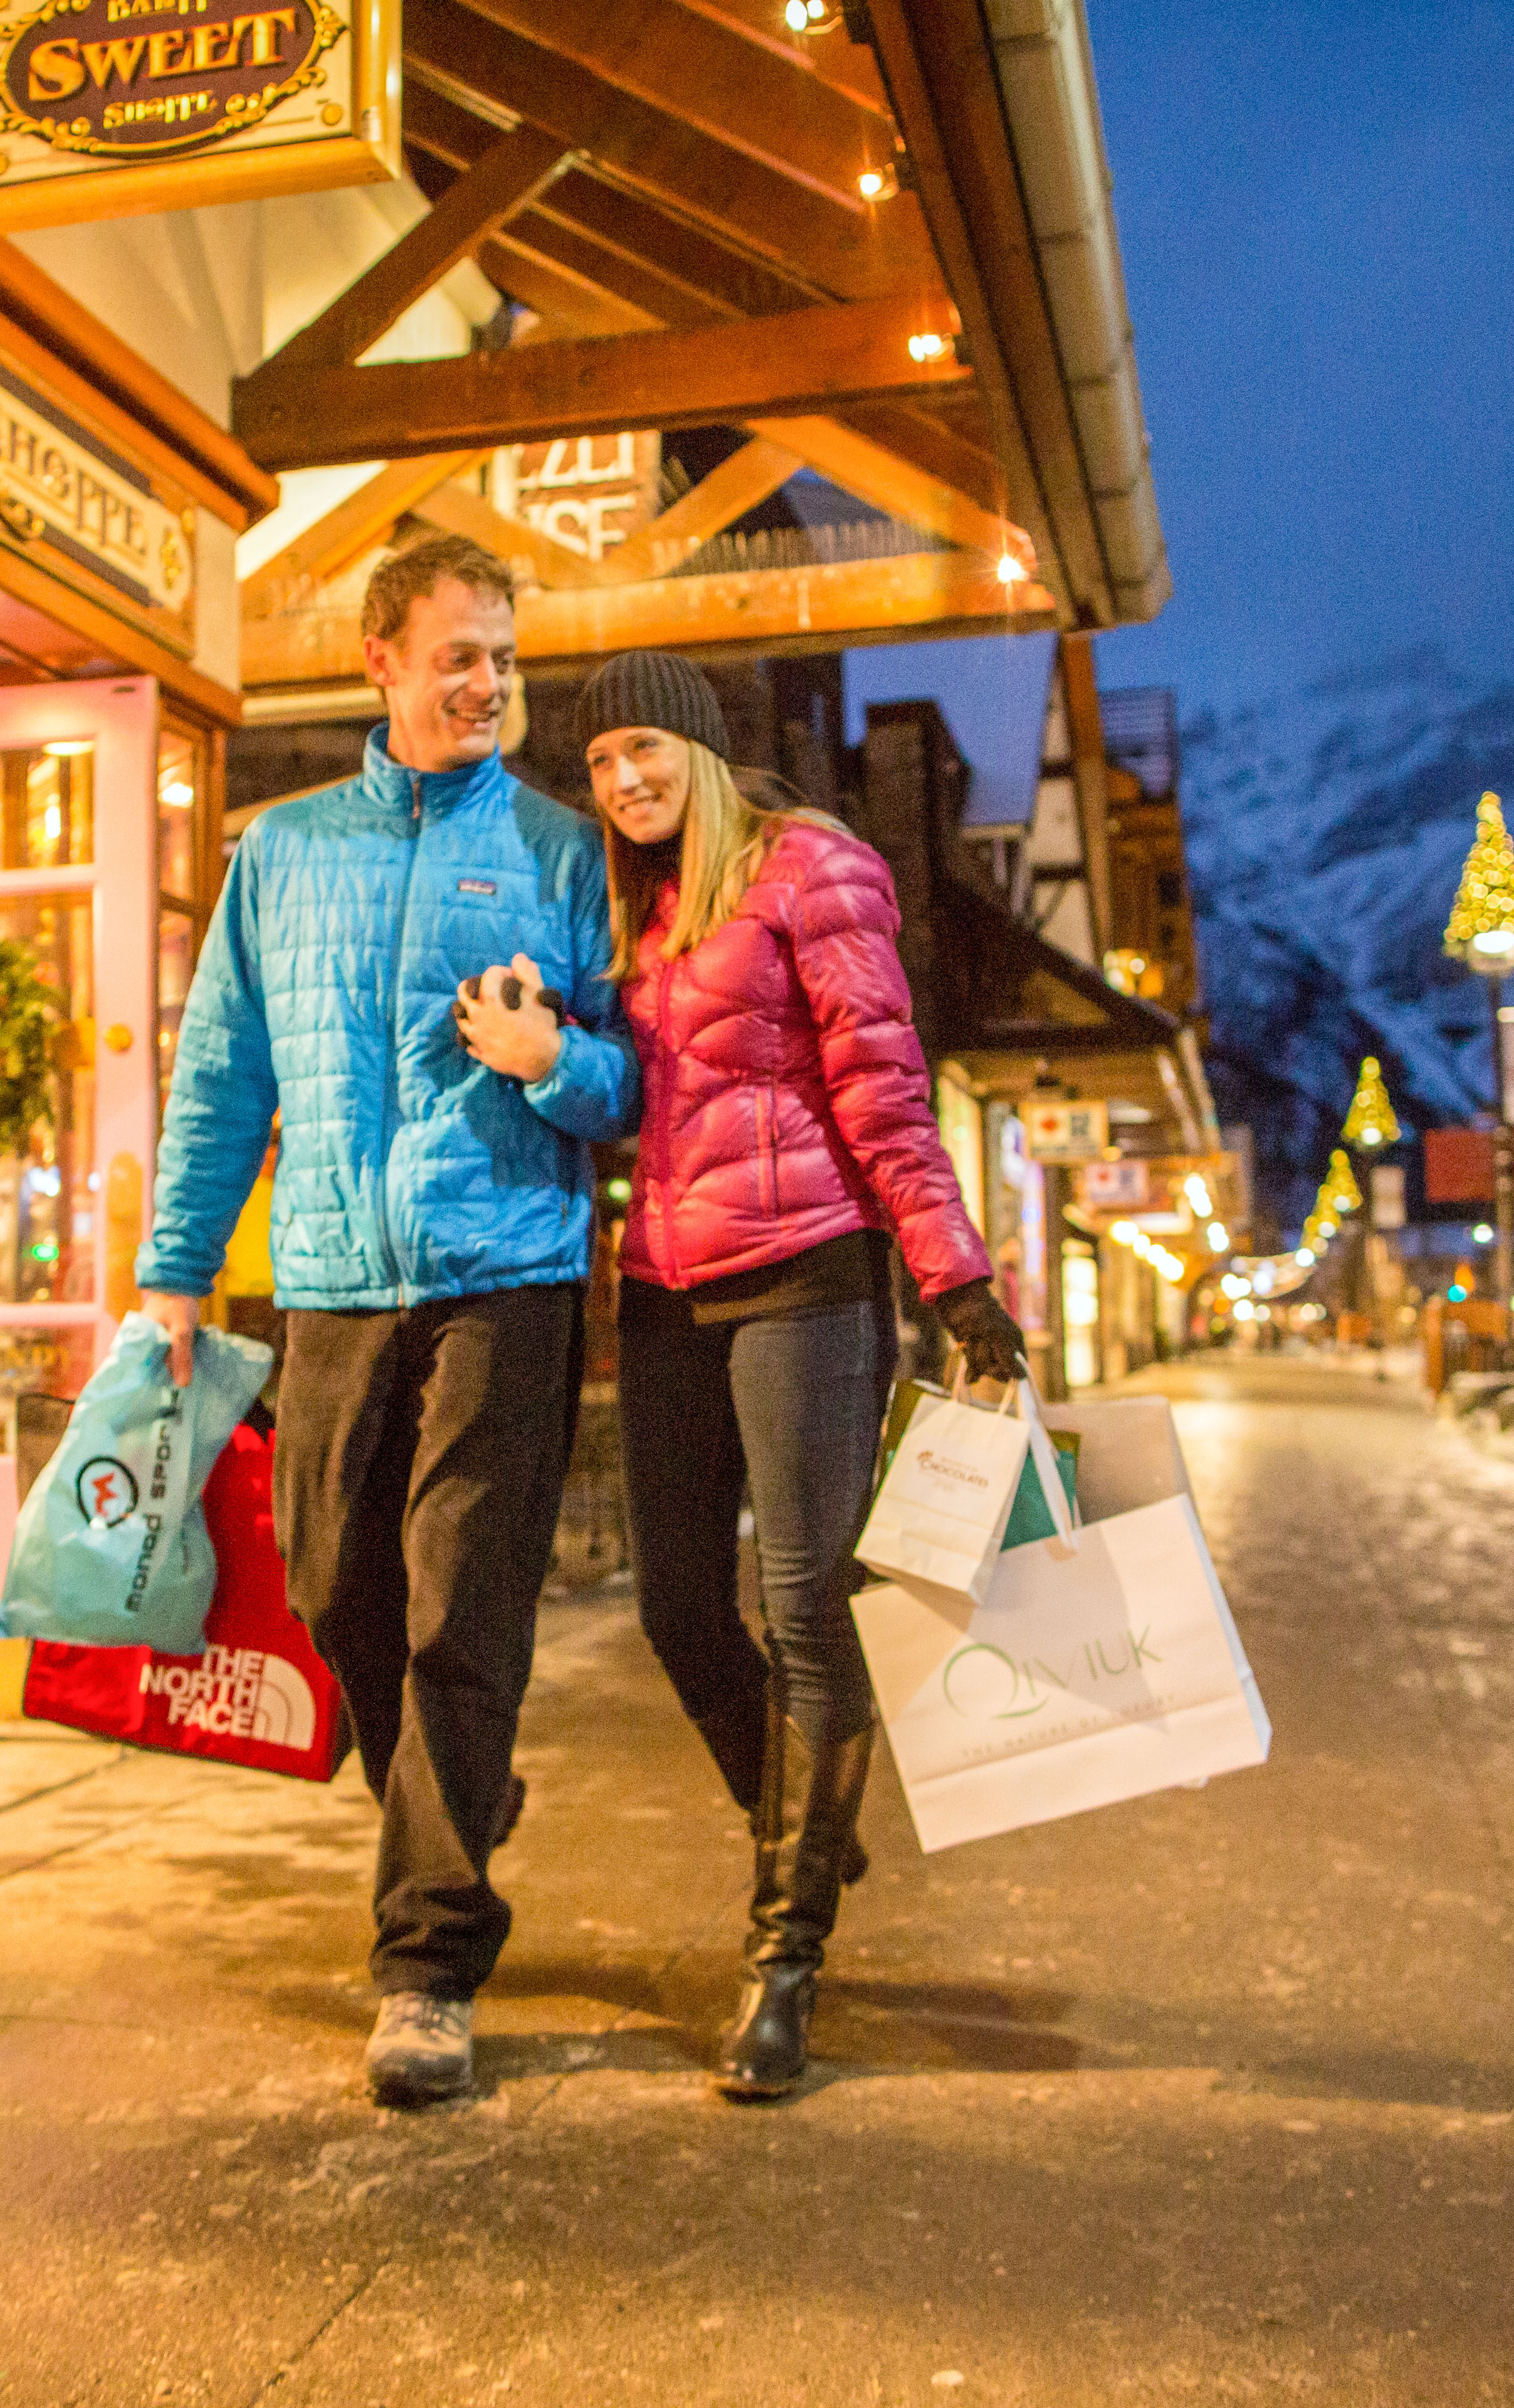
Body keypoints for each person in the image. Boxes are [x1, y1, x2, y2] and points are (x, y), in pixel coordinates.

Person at [135, 532, 637, 2110]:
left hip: (510, 1275)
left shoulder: (564, 855)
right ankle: (458, 1787)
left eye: (504, 656)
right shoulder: (281, 856)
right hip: (335, 1283)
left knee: (462, 1612)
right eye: (459, 653)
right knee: (335, 1583)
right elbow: (223, 1073)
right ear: (382, 662)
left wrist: (550, 1062)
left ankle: (428, 1965)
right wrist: (173, 1267)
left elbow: (634, 1084)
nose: (487, 682)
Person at [567, 651, 1029, 2101]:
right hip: (662, 1287)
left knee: (805, 1606)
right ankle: (809, 1831)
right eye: (596, 765)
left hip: (811, 1277)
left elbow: (881, 1077)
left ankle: (785, 1956)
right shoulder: (633, 914)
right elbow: (651, 1099)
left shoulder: (808, 868)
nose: (622, 781)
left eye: (642, 748)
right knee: (677, 1611)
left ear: (698, 746)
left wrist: (954, 1274)